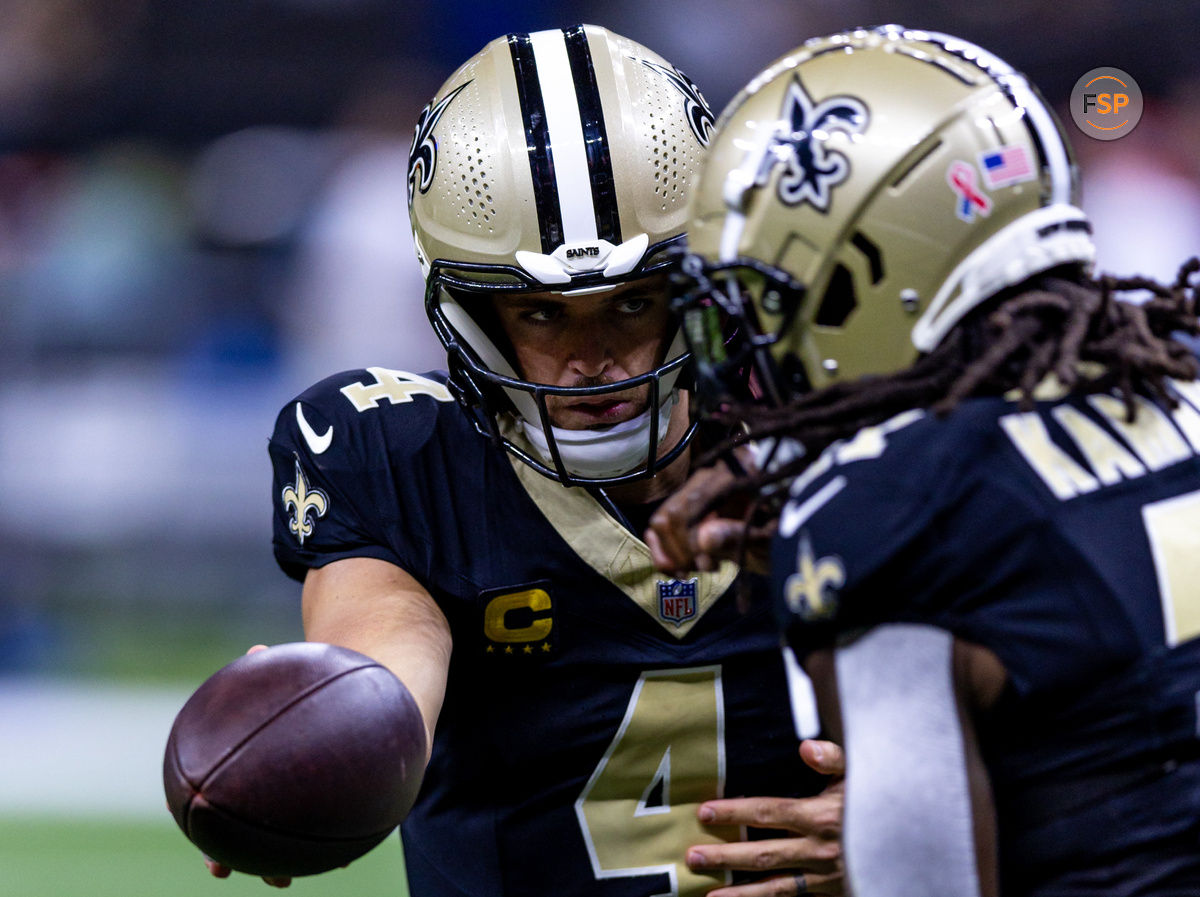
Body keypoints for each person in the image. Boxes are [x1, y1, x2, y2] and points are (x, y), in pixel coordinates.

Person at [224, 25, 846, 897]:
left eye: (632, 302)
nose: (594, 360)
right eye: (544, 315)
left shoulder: (831, 442)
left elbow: (1048, 722)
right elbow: (389, 654)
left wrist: (900, 824)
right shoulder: (399, 454)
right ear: (475, 315)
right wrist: (328, 721)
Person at [651, 25, 1200, 897]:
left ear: (862, 276)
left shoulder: (889, 514)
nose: (754, 348)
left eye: (765, 303)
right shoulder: (1179, 381)